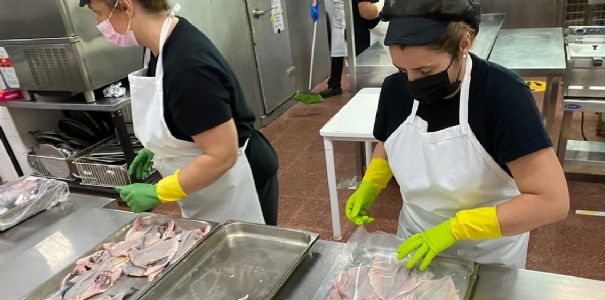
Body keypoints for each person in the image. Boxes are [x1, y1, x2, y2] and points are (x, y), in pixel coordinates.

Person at [344, 0, 569, 271]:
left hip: (485, 255)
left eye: (425, 71)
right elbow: (389, 141)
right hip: (416, 241)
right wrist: (372, 182)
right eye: (403, 70)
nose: (412, 82)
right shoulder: (394, 89)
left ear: (464, 44)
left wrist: (456, 229)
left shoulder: (503, 96)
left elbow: (551, 201)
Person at [81, 0, 279, 225]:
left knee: (250, 253)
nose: (98, 23)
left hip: (238, 179)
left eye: (99, 13)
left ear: (126, 7)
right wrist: (156, 148)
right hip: (209, 181)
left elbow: (222, 155)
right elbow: (180, 112)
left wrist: (158, 192)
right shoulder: (158, 46)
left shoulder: (188, 67)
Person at [320, 0, 381, 98]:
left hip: (355, 21)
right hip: (338, 21)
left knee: (360, 54)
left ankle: (362, 84)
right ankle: (334, 86)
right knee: (337, 55)